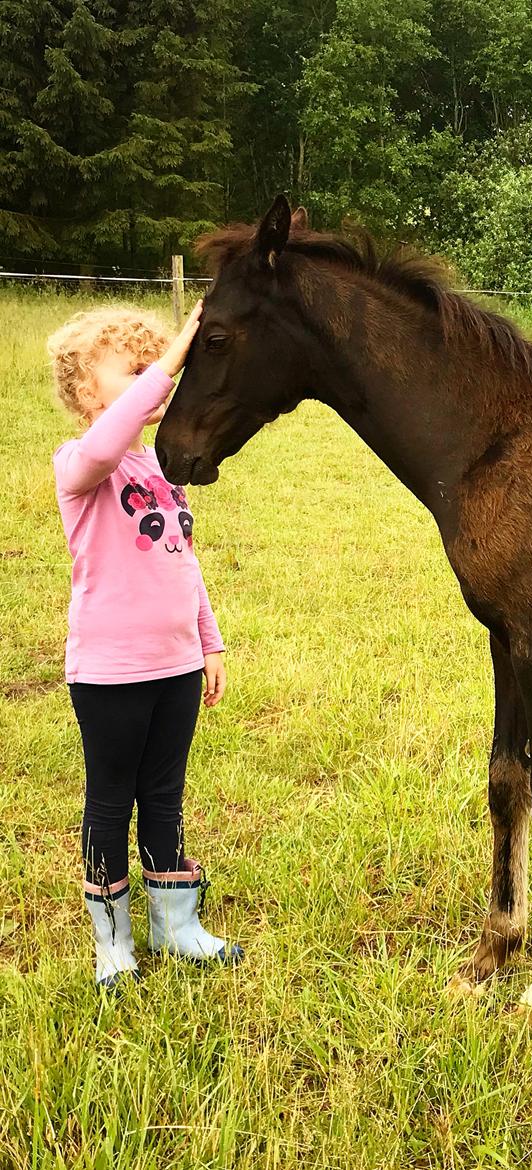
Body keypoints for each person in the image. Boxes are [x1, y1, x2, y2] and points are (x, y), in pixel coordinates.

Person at [47, 299, 242, 989]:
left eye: (150, 364)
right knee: (110, 802)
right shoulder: (80, 465)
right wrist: (169, 360)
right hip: (109, 674)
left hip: (176, 666)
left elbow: (183, 559)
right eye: (126, 368)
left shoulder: (162, 471)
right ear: (82, 389)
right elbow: (108, 441)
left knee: (164, 795)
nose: (147, 376)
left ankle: (176, 925)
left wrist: (208, 643)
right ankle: (114, 945)